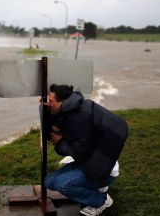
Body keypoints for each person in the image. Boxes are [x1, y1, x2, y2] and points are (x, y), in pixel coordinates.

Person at [42, 84, 128, 216]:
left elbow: (80, 153)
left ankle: (101, 201)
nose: (48, 103)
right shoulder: (73, 107)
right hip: (92, 160)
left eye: (51, 101)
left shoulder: (78, 119)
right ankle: (96, 187)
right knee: (49, 182)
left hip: (102, 169)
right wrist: (46, 110)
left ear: (62, 102)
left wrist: (59, 143)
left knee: (62, 185)